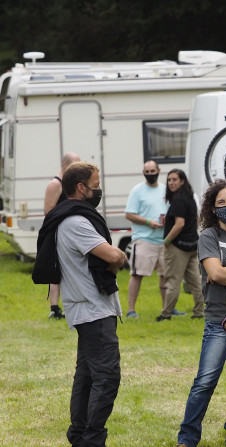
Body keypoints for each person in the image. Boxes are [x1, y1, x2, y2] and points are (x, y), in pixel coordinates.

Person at [35, 161, 128, 446]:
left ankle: (79, 435)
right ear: (80, 187)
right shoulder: (75, 221)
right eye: (96, 186)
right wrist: (118, 259)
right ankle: (92, 438)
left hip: (91, 308)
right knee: (107, 376)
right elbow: (114, 256)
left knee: (87, 375)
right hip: (91, 310)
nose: (98, 191)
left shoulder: (72, 217)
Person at [176, 179, 226, 447]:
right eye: (221, 202)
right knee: (206, 380)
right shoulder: (208, 236)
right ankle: (187, 438)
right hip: (220, 317)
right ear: (212, 207)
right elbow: (215, 273)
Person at [124, 160, 174, 318]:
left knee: (165, 276)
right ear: (143, 172)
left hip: (164, 240)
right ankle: (131, 310)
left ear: (159, 170)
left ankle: (168, 309)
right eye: (148, 171)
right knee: (137, 274)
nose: (151, 174)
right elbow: (129, 214)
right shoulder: (137, 190)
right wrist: (148, 222)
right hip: (144, 239)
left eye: (153, 171)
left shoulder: (166, 190)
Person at [157, 169, 204, 321]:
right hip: (192, 245)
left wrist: (167, 241)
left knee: (172, 281)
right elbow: (195, 220)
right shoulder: (190, 197)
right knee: (196, 281)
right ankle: (199, 312)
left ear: (182, 181)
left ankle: (166, 314)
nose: (171, 182)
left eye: (175, 179)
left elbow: (179, 224)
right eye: (169, 180)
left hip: (178, 247)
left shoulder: (177, 200)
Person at [43, 151, 81, 319]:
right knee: (56, 270)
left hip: (70, 232)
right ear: (65, 165)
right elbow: (48, 211)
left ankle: (71, 304)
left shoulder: (69, 184)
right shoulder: (55, 184)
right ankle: (54, 308)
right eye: (75, 164)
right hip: (57, 232)